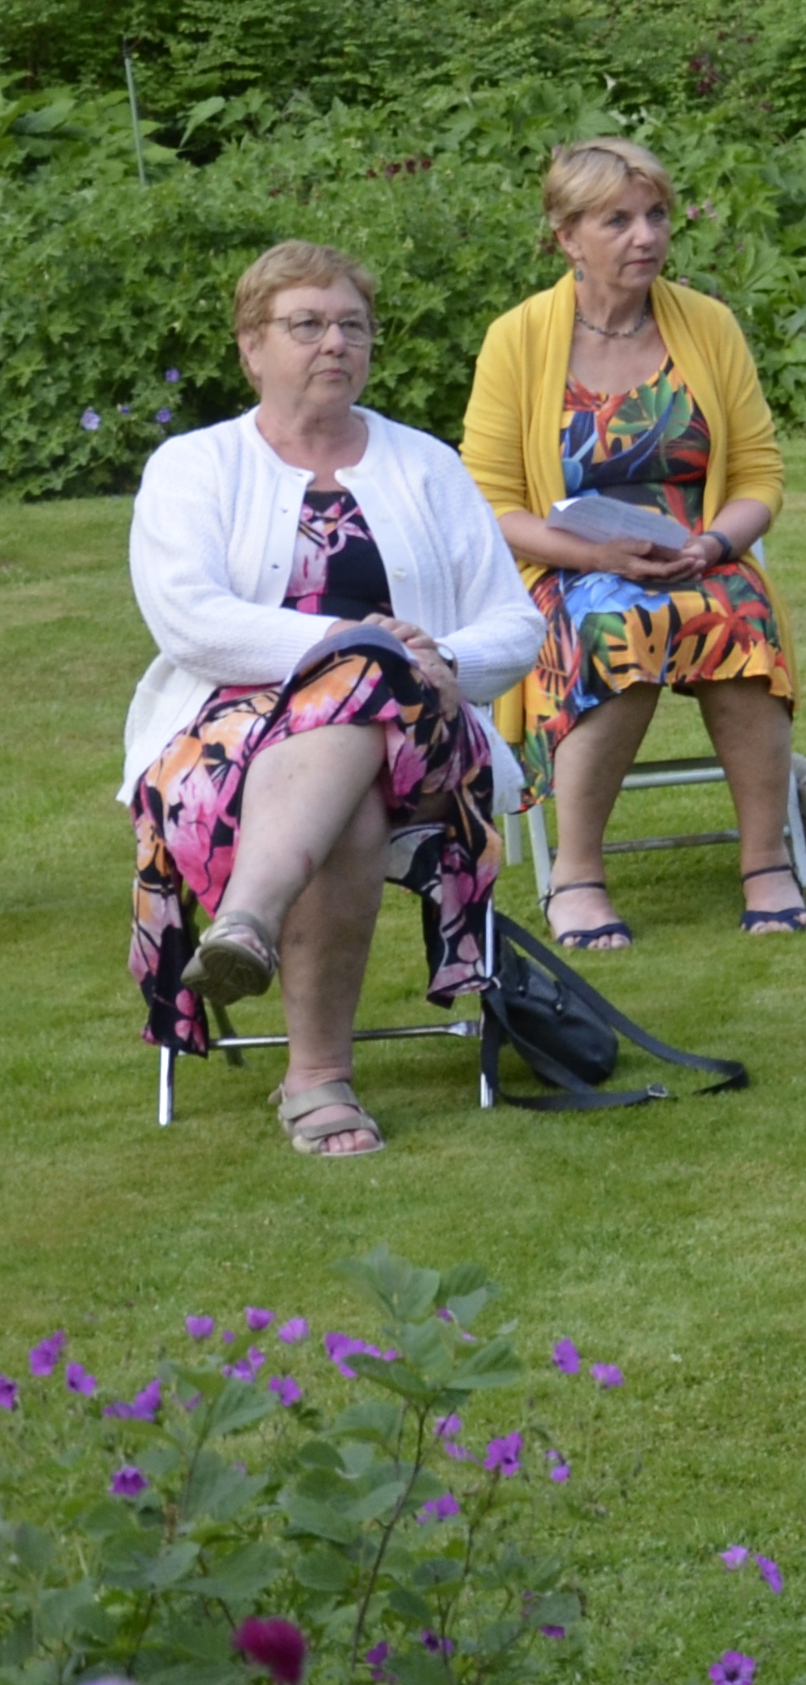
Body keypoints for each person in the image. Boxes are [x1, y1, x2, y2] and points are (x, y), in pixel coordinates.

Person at [122, 245, 546, 1156]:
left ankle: (250, 922)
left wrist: (440, 661)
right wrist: (351, 645)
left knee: (365, 691)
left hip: (424, 735)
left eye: (352, 325)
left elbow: (516, 625)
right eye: (306, 324)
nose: (334, 343)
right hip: (226, 736)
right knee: (352, 784)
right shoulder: (193, 467)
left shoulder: (425, 465)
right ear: (250, 348)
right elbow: (190, 621)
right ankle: (318, 1080)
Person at [461, 137, 806, 951]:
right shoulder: (517, 340)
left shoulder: (708, 326)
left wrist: (717, 542)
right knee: (619, 626)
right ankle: (576, 875)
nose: (645, 236)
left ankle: (765, 861)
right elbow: (489, 505)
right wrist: (597, 558)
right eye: (617, 221)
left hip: (697, 559)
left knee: (743, 621)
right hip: (565, 570)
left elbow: (760, 474)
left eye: (655, 216)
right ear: (565, 236)